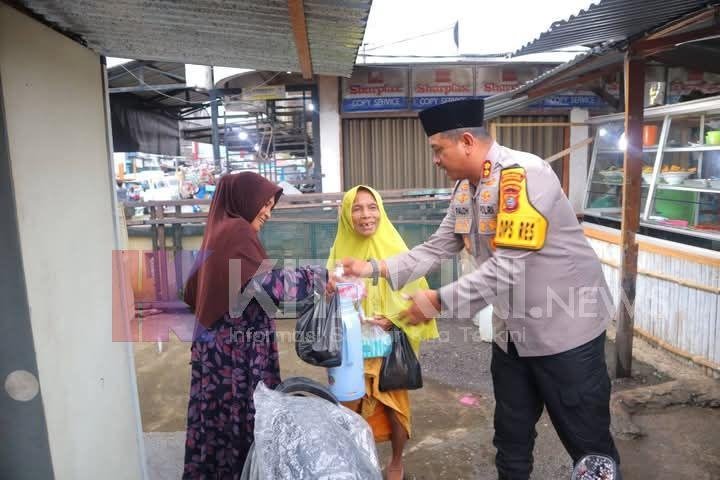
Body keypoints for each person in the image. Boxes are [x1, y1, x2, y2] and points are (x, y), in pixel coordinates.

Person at [341, 99, 621, 480]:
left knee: (589, 447)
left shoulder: (523, 175)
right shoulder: (466, 188)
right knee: (510, 436)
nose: (435, 160)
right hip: (513, 335)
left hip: (566, 333)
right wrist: (371, 268)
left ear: (467, 141)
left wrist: (438, 301)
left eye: (438, 150)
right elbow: (439, 246)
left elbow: (508, 266)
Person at [182, 172, 327, 478]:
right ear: (244, 198)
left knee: (218, 430)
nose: (267, 212)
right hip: (236, 358)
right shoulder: (237, 231)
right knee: (244, 428)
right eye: (264, 203)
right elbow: (269, 286)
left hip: (217, 353)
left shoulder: (218, 230)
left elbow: (193, 292)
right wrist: (321, 275)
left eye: (271, 206)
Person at [327, 185, 439, 480]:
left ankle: (396, 462)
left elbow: (418, 296)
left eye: (372, 206)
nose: (366, 215)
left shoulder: (395, 248)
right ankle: (356, 461)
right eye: (357, 208)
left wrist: (392, 319)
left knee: (394, 406)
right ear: (346, 214)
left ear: (381, 210)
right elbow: (327, 298)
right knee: (347, 406)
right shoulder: (340, 250)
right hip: (350, 347)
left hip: (389, 345)